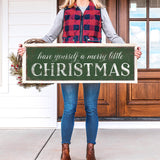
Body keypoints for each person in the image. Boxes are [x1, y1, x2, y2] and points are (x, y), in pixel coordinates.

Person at [18, 0, 142, 159]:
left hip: (93, 66)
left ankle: (90, 149)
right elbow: (49, 37)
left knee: (91, 108)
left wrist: (129, 51)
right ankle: (65, 150)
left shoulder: (99, 10)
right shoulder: (64, 11)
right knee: (69, 108)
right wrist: (28, 51)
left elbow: (112, 36)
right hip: (68, 66)